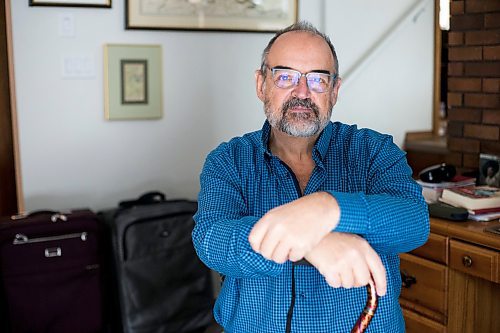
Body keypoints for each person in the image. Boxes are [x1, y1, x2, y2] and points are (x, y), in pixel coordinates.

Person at [192, 21, 429, 333]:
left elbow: (414, 222)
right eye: (285, 76)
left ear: (334, 91)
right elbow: (211, 240)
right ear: (261, 84)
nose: (301, 92)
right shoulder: (228, 160)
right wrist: (308, 244)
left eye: (317, 79)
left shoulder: (374, 150)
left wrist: (328, 208)